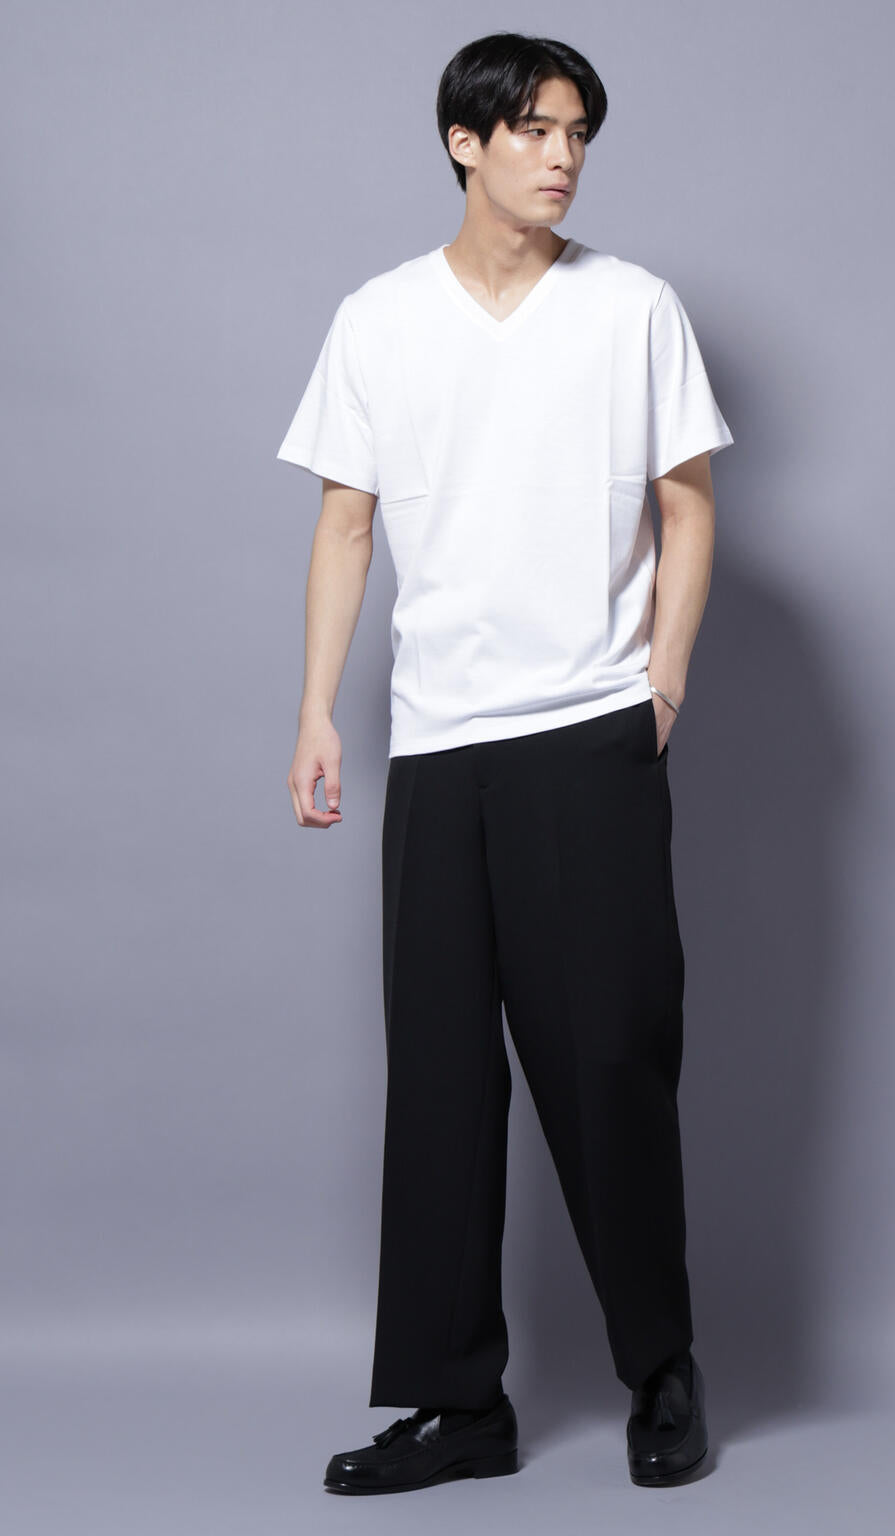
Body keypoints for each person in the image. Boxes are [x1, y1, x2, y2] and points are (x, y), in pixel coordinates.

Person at [277, 31, 732, 1494]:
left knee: (610, 1061)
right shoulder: (378, 320)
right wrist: (318, 710)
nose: (563, 156)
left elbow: (688, 504)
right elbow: (346, 523)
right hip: (437, 745)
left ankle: (663, 1368)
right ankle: (455, 1403)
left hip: (586, 733)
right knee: (441, 1082)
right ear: (463, 143)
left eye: (579, 131)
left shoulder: (633, 308)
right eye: (535, 128)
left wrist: (660, 684)